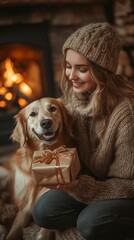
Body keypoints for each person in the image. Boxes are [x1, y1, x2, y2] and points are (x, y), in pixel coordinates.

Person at [32, 22, 134, 240]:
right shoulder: (71, 101)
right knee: (43, 212)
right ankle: (94, 219)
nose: (71, 75)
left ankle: (91, 226)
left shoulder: (126, 113)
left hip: (126, 191)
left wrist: (80, 187)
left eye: (82, 69)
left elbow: (128, 185)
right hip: (92, 184)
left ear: (101, 71)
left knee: (89, 224)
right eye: (68, 65)